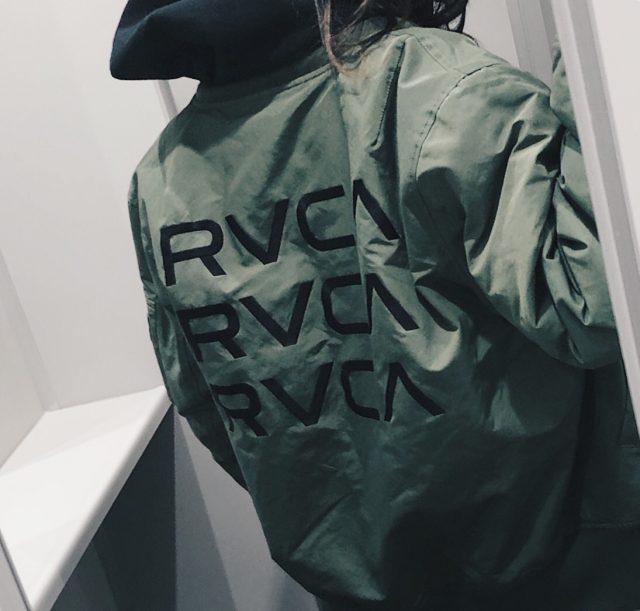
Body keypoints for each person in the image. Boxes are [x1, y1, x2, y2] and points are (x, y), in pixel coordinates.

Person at [111, 1, 640, 609]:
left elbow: (210, 407)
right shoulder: (440, 92)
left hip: (355, 587)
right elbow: (595, 305)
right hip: (556, 569)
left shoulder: (161, 179)